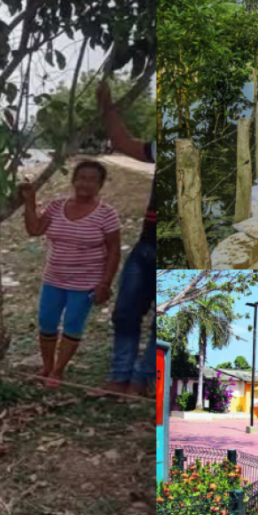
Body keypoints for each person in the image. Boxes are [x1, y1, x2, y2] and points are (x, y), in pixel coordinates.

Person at [20, 160, 121, 389]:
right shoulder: (56, 206)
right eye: (81, 177)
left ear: (100, 185)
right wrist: (30, 202)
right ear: (73, 180)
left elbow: (114, 250)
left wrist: (105, 283)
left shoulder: (106, 214)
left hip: (85, 283)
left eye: (92, 179)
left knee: (73, 327)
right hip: (53, 278)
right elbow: (34, 230)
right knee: (46, 323)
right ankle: (46, 366)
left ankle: (58, 370)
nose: (85, 183)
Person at [96, 80, 156, 398]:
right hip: (146, 247)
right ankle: (120, 377)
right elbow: (122, 142)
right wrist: (108, 106)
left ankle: (142, 379)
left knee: (165, 323)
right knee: (125, 313)